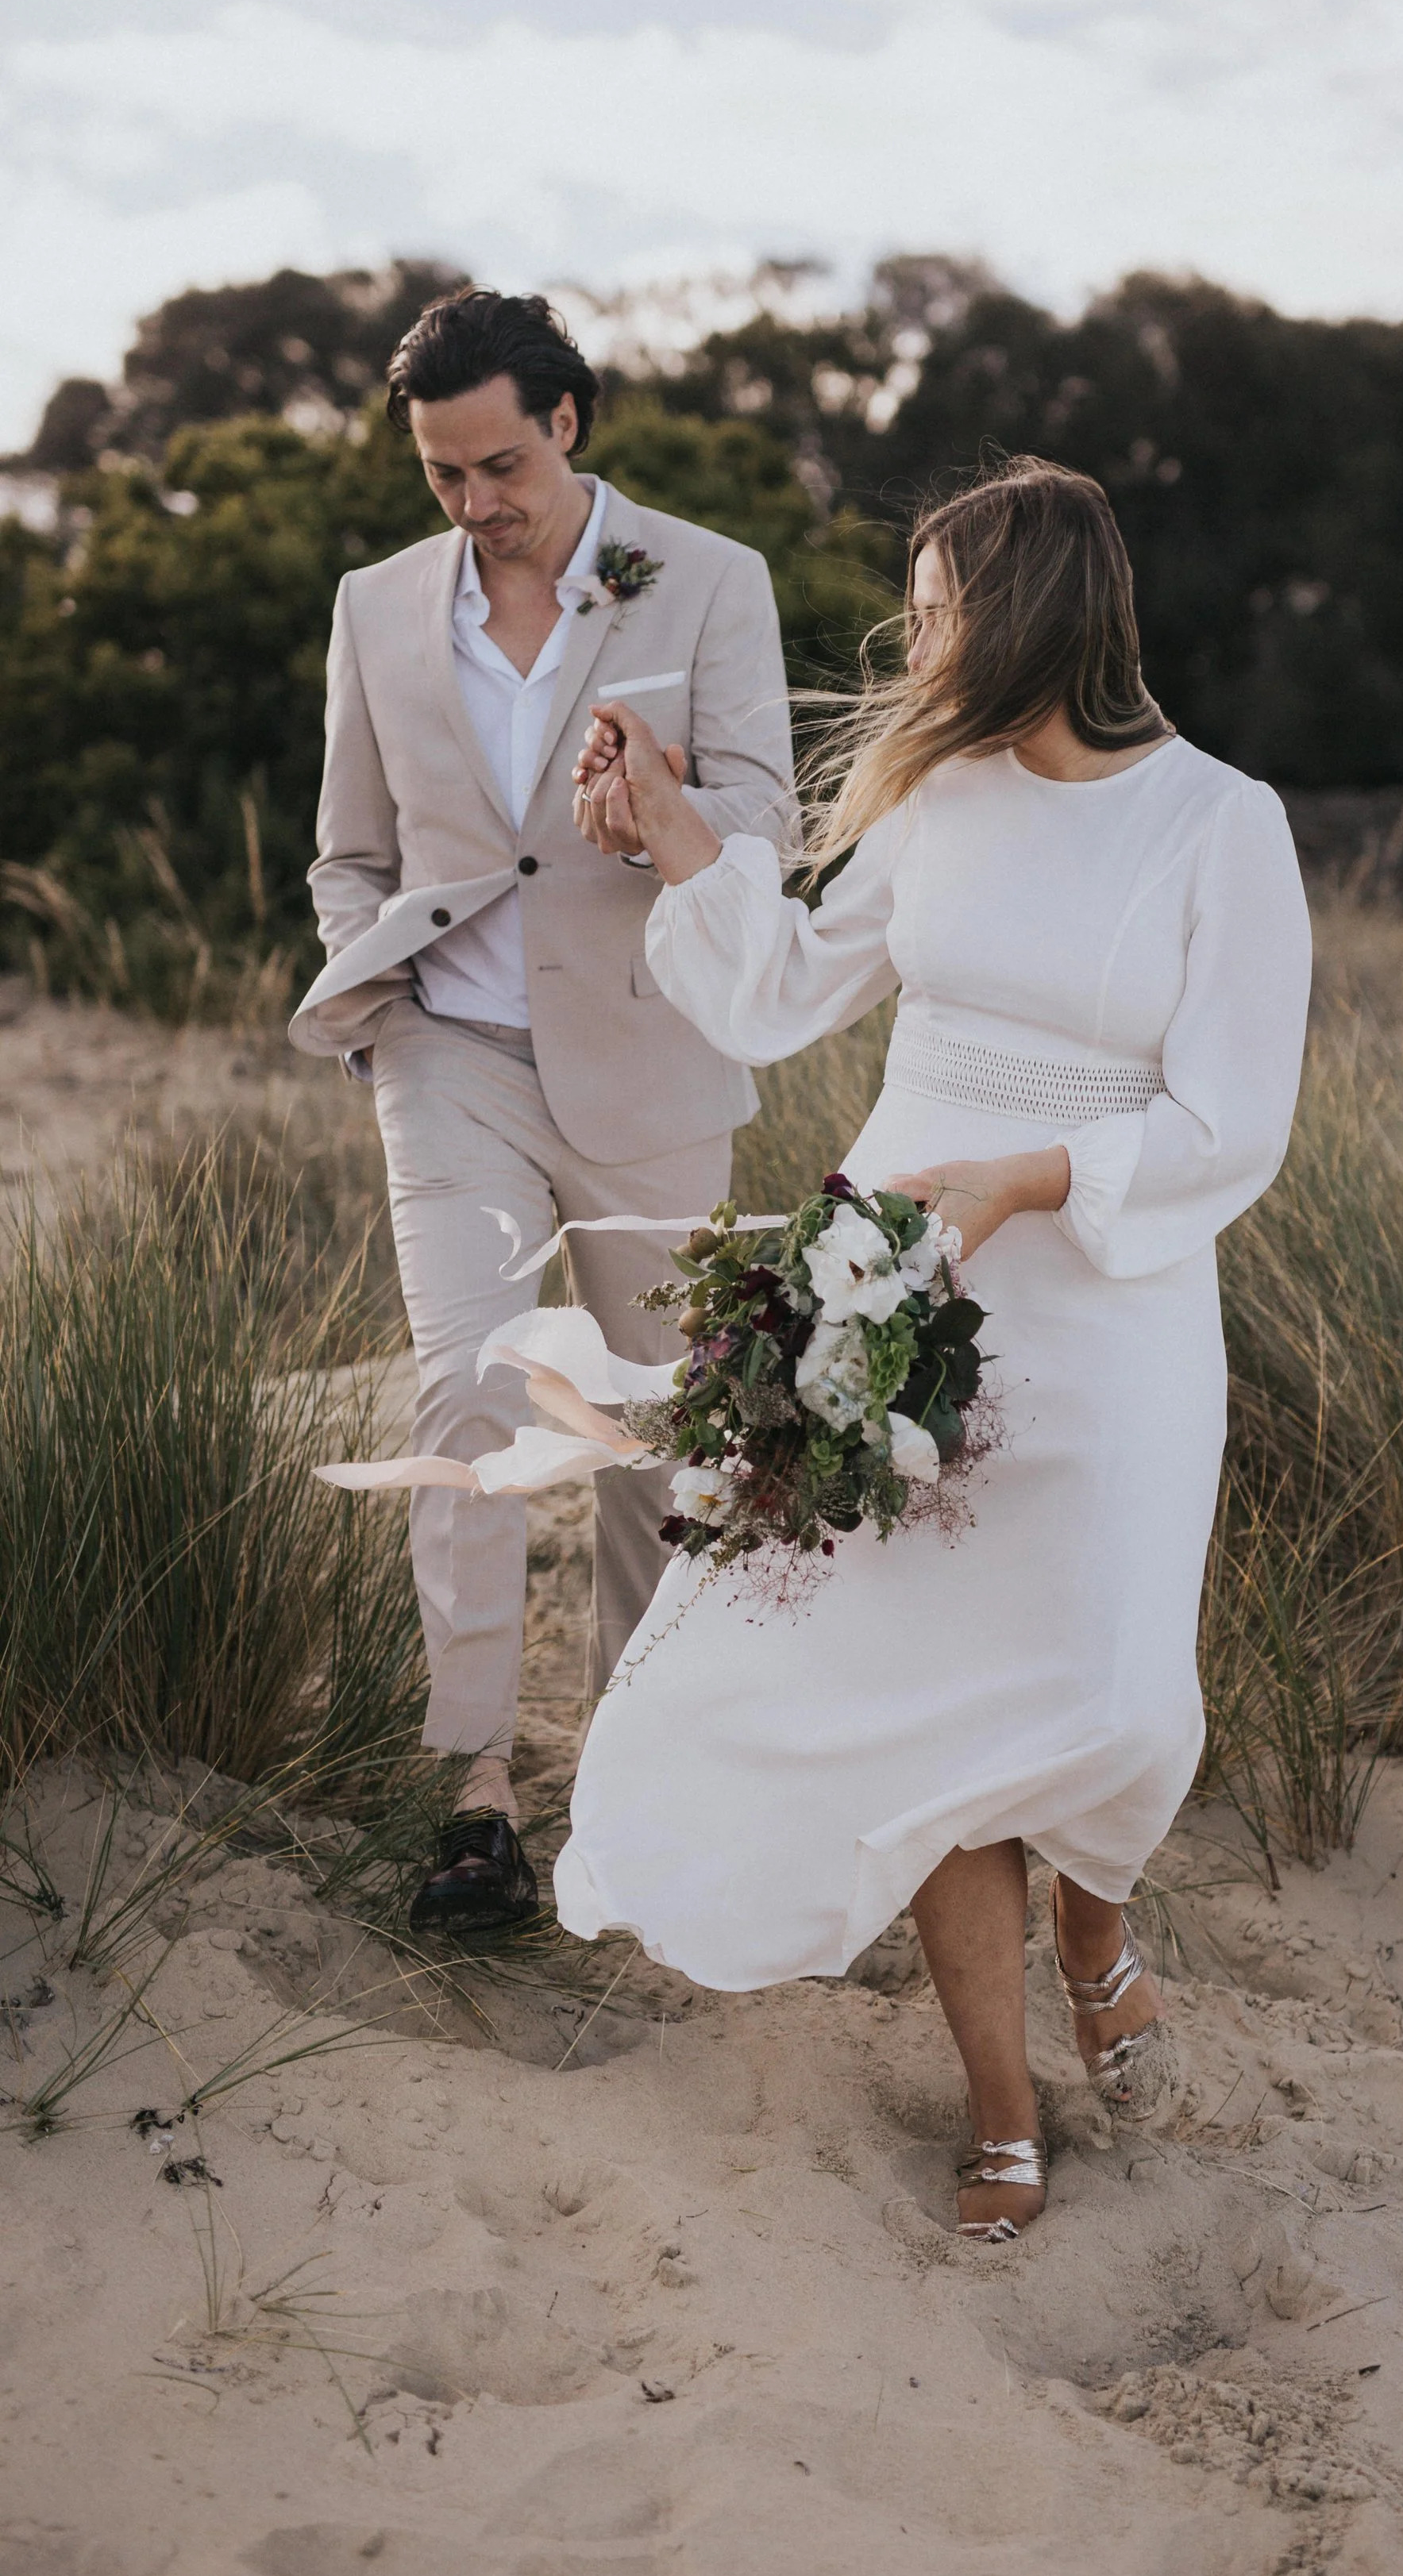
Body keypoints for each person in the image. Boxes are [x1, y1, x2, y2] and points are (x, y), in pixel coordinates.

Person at [557, 455, 1312, 2237]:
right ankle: (998, 2101)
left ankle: (1097, 1928)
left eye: (938, 605)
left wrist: (1032, 1179)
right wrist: (670, 827)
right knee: (927, 1707)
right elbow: (782, 985)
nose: (913, 637)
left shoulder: (1221, 824)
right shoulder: (939, 793)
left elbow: (1234, 1123)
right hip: (892, 1283)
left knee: (1115, 1700)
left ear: (1031, 612)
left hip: (1107, 1303)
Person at [290, 289, 796, 1931]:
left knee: (660, 1434)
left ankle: (641, 1777)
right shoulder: (373, 608)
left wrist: (655, 807)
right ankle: (476, 1793)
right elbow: (348, 852)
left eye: (495, 462)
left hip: (649, 1055)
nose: (472, 501)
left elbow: (770, 816)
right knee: (470, 1401)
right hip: (447, 1058)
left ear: (566, 424)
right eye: (441, 474)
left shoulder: (710, 580)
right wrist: (378, 1029)